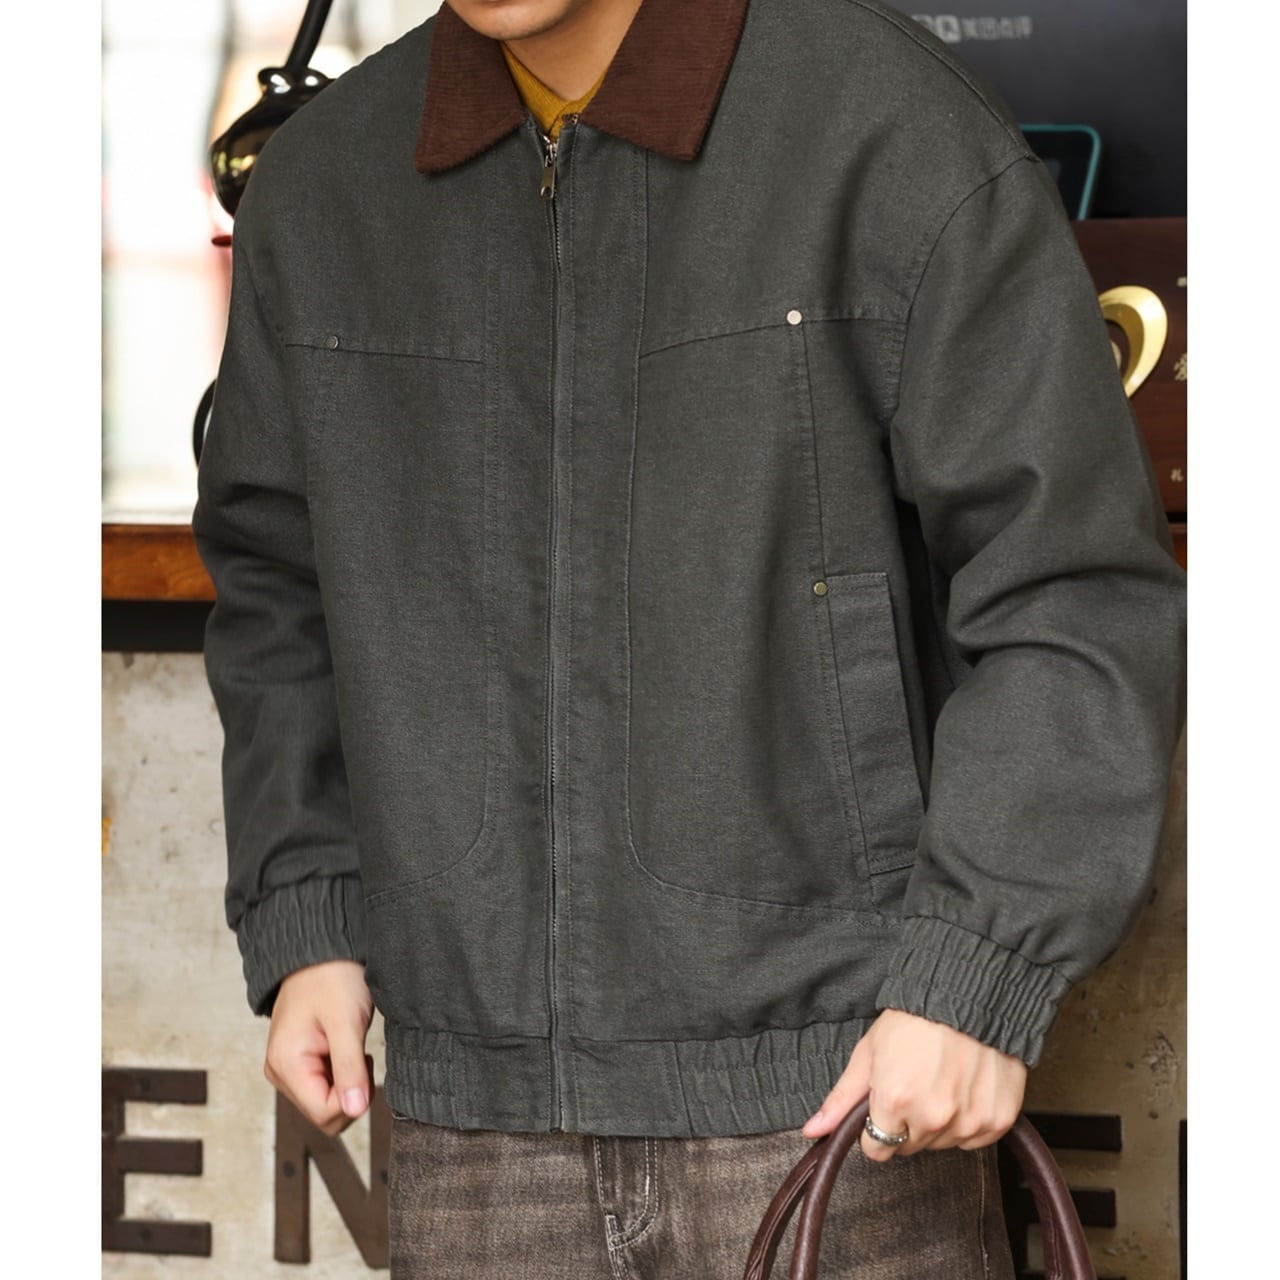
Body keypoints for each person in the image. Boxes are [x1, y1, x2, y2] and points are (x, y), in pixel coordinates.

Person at [192, 0, 1186, 1275]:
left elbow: (1068, 584)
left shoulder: (885, 130)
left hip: (842, 1095)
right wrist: (309, 909)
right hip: (474, 1123)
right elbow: (277, 585)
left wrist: (976, 966)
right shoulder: (327, 184)